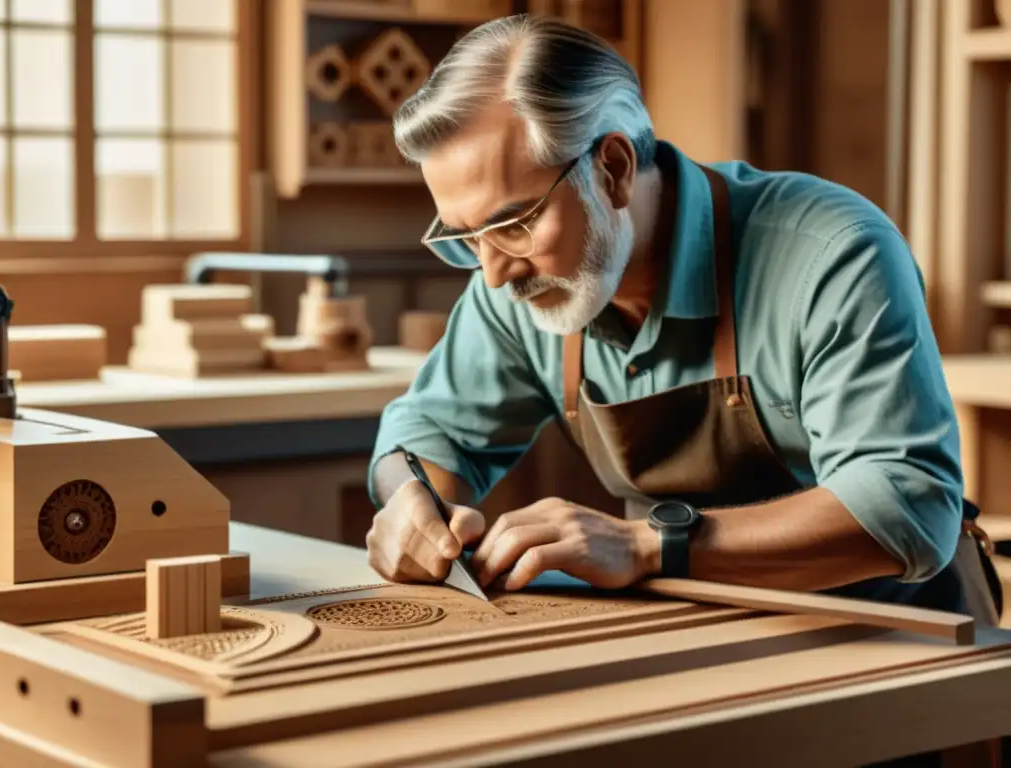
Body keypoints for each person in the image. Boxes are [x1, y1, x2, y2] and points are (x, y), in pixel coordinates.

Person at [364, 14, 999, 621]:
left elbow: (906, 507)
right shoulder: (517, 283)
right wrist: (412, 503)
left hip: (891, 639)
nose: (496, 273)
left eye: (517, 224)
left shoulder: (833, 252)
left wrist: (646, 545)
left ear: (612, 169)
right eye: (467, 238)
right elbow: (426, 432)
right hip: (696, 630)